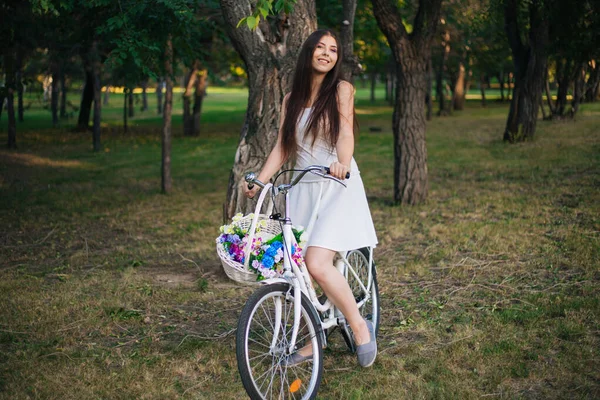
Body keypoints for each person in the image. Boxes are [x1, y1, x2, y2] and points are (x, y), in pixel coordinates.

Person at [243, 29, 378, 368]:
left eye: (333, 50)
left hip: (335, 185)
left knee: (317, 262)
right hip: (302, 188)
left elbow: (345, 132)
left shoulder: (342, 90)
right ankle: (312, 337)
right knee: (299, 268)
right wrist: (260, 181)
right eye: (320, 47)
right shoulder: (291, 99)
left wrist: (342, 163)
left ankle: (360, 327)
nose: (327, 54)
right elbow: (283, 147)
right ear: (308, 53)